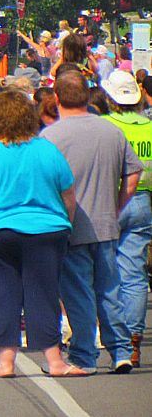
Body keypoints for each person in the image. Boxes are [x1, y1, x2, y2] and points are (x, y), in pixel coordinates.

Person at [0, 89, 80, 378]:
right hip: (45, 229)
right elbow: (68, 194)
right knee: (44, 293)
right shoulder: (46, 149)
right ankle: (54, 360)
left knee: (0, 294)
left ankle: (6, 362)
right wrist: (68, 226)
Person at [43, 71, 139, 373]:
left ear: (57, 99)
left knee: (78, 293)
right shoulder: (111, 131)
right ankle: (121, 349)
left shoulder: (50, 138)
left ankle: (84, 355)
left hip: (70, 227)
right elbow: (133, 174)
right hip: (106, 222)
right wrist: (116, 204)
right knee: (110, 288)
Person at [100, 70, 152, 367]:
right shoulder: (149, 128)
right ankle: (132, 340)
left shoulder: (106, 126)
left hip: (110, 199)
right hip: (142, 199)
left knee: (104, 272)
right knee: (134, 274)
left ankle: (113, 338)